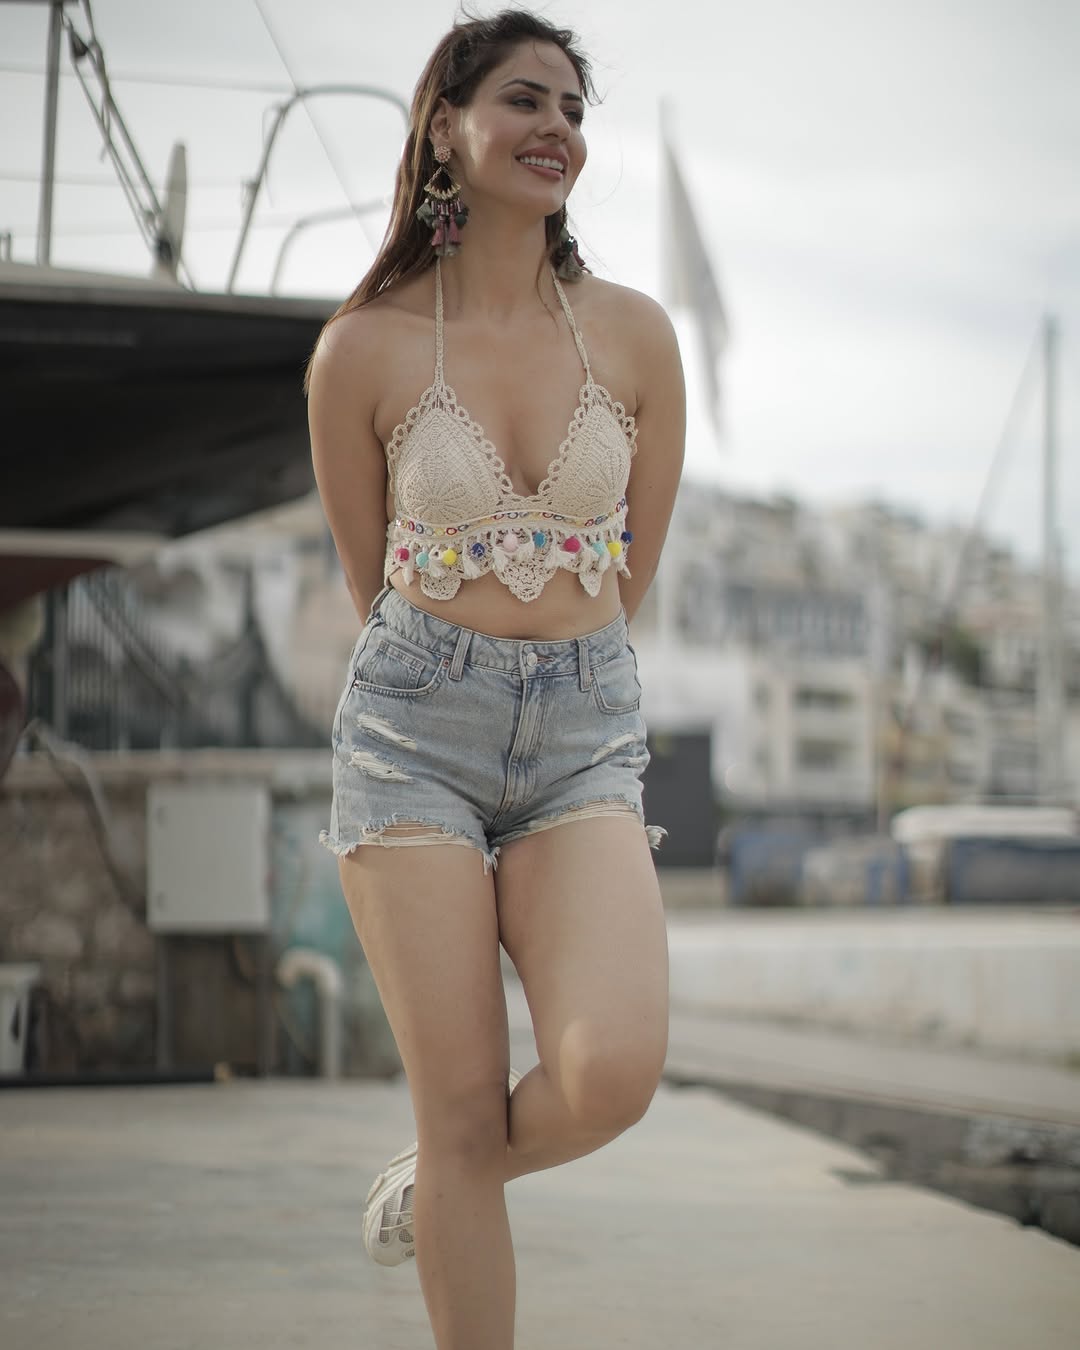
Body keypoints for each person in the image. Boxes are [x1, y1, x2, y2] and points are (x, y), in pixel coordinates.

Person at [306, 9, 685, 1348]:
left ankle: (447, 1177)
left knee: (611, 1072)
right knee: (460, 1101)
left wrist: (555, 664)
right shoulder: (362, 350)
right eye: (526, 100)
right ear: (446, 129)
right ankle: (457, 1159)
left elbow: (630, 570)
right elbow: (370, 583)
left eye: (573, 109)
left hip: (583, 730)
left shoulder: (636, 337)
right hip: (414, 732)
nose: (557, 129)